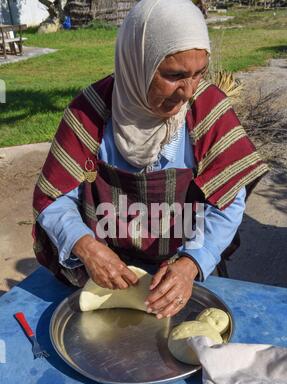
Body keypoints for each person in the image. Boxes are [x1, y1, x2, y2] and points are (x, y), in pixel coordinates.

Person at [32, 0, 268, 320]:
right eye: (174, 75)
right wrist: (85, 246)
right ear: (137, 61)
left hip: (181, 268)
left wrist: (191, 263)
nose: (187, 91)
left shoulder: (208, 110)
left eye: (199, 74)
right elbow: (53, 198)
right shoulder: (89, 113)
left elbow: (228, 200)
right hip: (108, 274)